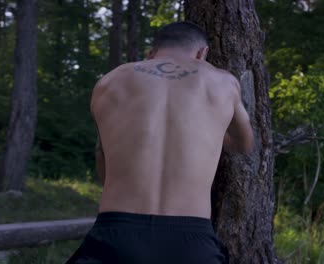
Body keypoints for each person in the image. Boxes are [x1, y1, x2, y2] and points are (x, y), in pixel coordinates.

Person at [67, 21, 254, 264]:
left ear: (151, 53)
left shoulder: (110, 82)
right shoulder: (223, 83)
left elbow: (102, 154)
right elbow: (244, 144)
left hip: (117, 233)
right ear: (202, 53)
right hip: (191, 240)